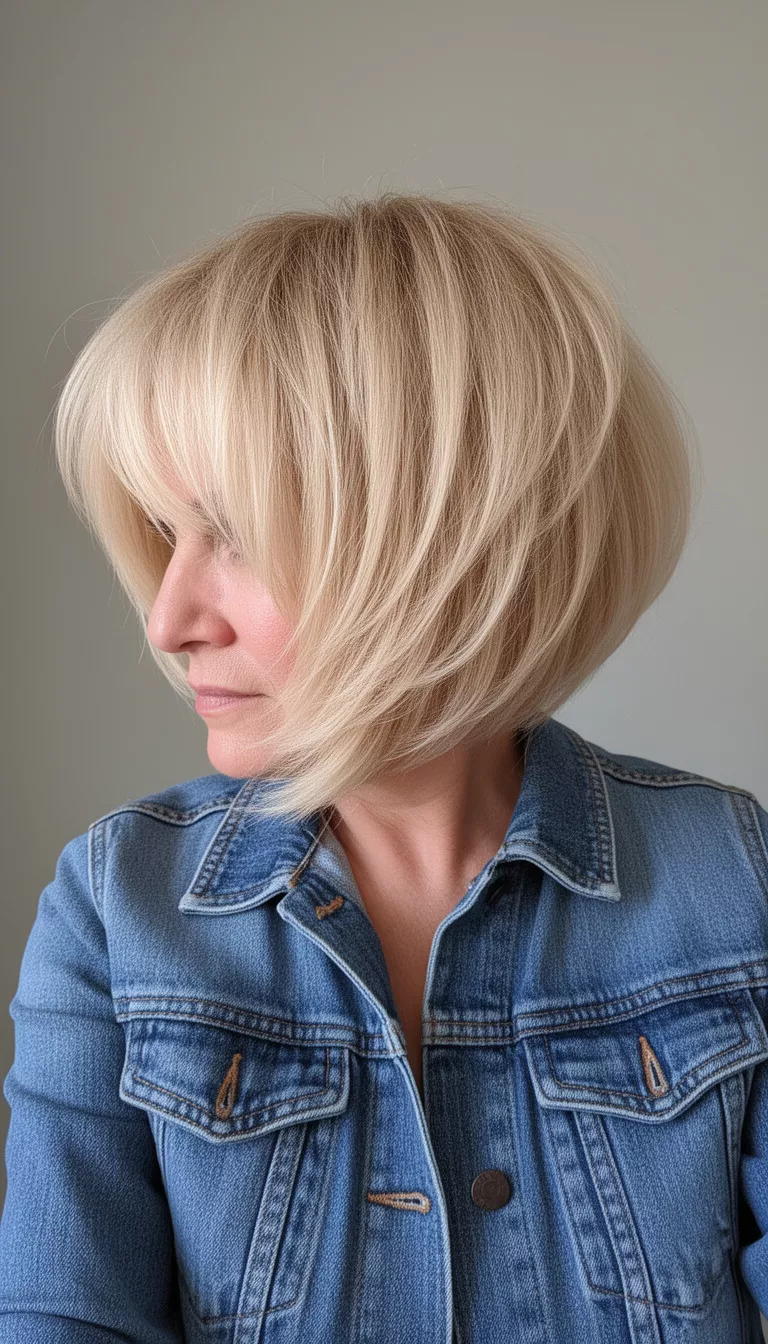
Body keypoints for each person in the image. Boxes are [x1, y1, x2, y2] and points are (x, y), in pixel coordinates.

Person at [1, 192, 766, 1343]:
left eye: (236, 533)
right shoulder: (117, 909)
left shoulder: (735, 881)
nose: (169, 618)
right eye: (164, 532)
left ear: (450, 541)